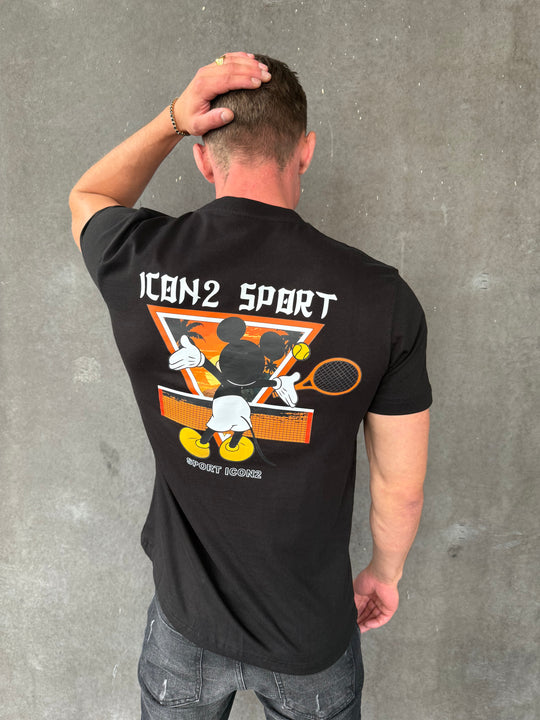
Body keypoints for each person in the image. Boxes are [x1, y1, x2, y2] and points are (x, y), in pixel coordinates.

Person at [69, 52, 431, 720]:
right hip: (309, 635)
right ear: (306, 151)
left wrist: (174, 119)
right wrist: (385, 573)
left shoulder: (137, 258)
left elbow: (89, 197)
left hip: (184, 628)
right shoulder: (382, 298)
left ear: (203, 160)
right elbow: (399, 487)